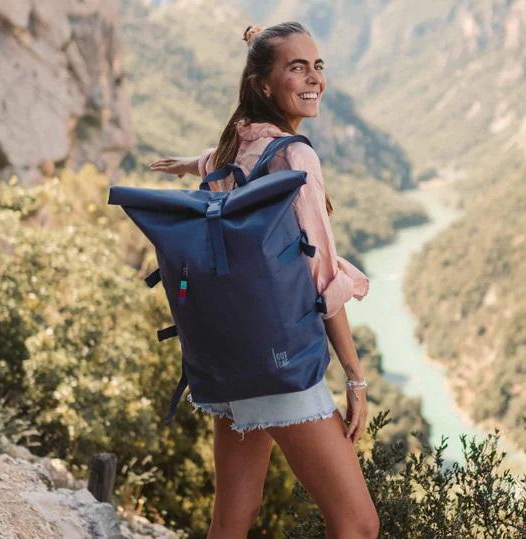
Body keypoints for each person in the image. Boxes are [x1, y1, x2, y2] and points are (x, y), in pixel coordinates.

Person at [149, 21, 379, 539]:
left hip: (228, 361)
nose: (314, 78)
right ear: (263, 84)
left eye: (317, 65)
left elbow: (214, 162)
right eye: (297, 67)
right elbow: (323, 279)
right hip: (278, 367)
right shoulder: (296, 157)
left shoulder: (235, 145)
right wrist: (355, 378)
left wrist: (189, 165)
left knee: (233, 518)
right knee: (359, 525)